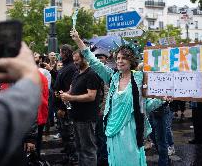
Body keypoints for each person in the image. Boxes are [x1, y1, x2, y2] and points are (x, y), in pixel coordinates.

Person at [70, 29, 165, 166]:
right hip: (112, 129)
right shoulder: (113, 78)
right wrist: (78, 40)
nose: (119, 61)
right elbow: (94, 62)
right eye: (118, 58)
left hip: (131, 130)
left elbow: (146, 105)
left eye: (123, 58)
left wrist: (162, 99)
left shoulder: (140, 78)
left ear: (131, 60)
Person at [60, 50, 101, 166]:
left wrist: (70, 98)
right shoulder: (76, 73)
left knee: (88, 149)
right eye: (74, 60)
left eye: (77, 60)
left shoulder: (92, 74)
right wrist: (65, 94)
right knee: (79, 148)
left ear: (85, 59)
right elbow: (72, 90)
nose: (75, 62)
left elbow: (91, 96)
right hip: (76, 116)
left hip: (86, 118)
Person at [54, 44, 78, 164]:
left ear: (66, 53)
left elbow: (69, 90)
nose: (59, 55)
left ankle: (72, 159)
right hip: (61, 104)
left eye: (61, 52)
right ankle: (68, 156)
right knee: (65, 134)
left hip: (66, 107)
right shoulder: (66, 67)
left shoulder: (71, 68)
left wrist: (62, 107)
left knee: (69, 135)